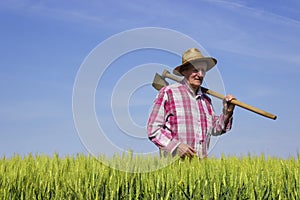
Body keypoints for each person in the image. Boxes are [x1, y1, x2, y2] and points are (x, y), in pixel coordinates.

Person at [147, 48, 235, 159]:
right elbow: (153, 129)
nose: (200, 74)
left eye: (203, 70)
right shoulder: (168, 92)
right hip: (173, 167)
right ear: (184, 71)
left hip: (200, 169)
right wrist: (176, 146)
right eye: (196, 70)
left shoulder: (206, 101)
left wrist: (227, 112)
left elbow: (216, 129)